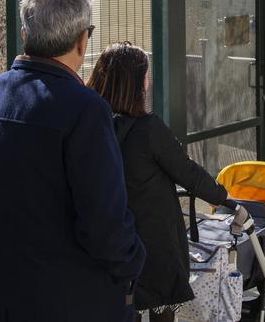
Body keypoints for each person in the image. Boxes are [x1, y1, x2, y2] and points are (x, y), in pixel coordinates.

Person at [0, 0, 145, 320]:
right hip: (82, 300)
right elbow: (105, 226)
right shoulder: (85, 110)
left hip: (11, 293)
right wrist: (134, 260)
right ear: (83, 40)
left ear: (25, 34)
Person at [88, 42, 232, 322]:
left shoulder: (94, 126)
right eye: (145, 74)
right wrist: (223, 197)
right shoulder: (148, 129)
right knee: (160, 310)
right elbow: (188, 172)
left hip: (110, 241)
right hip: (153, 245)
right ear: (135, 82)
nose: (148, 80)